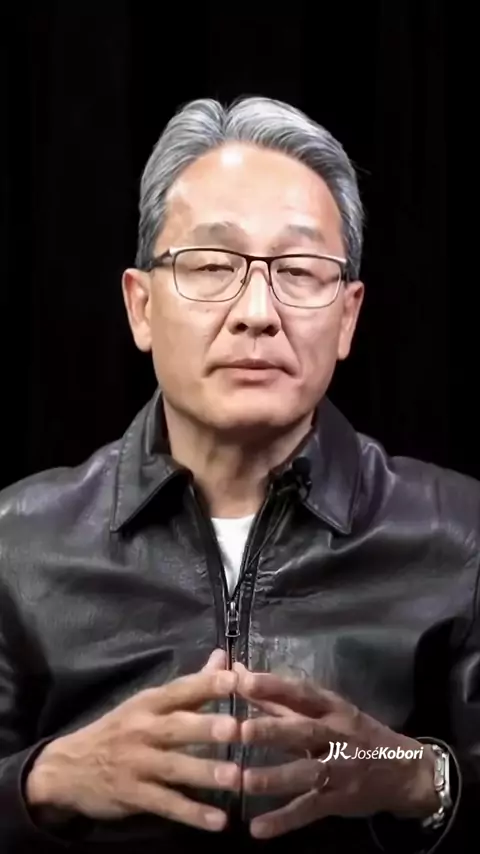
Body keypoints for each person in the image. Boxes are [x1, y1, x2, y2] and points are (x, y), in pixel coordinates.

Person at [0, 96, 477, 854]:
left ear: (348, 316)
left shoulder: (461, 534)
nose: (257, 311)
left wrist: (414, 776)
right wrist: (43, 781)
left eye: (299, 271)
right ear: (141, 306)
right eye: (213, 266)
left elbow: (435, 777)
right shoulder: (17, 543)